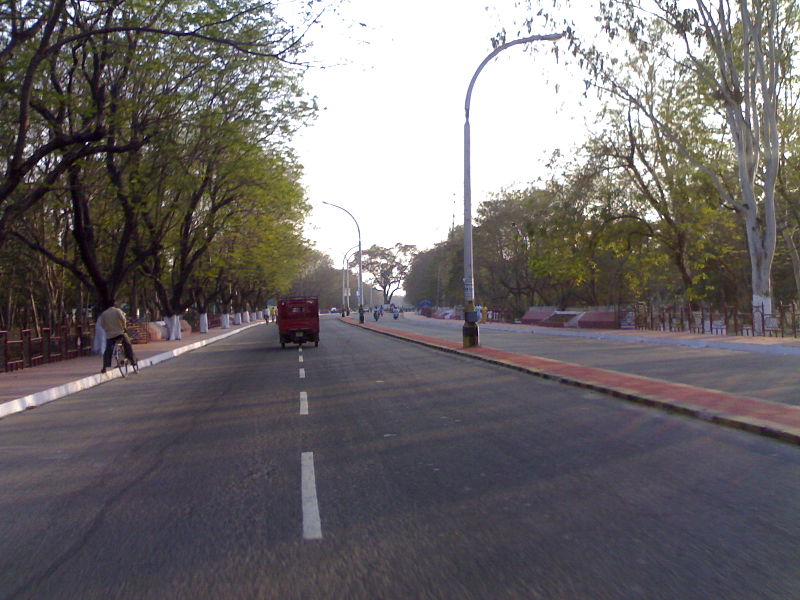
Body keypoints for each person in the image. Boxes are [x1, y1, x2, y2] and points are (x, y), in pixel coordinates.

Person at [99, 299, 137, 373]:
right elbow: (123, 319)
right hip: (120, 333)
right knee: (127, 345)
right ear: (114, 304)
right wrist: (124, 327)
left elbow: (102, 325)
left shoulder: (104, 314)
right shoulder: (118, 311)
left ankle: (104, 367)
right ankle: (132, 361)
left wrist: (107, 330)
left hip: (110, 335)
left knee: (108, 350)